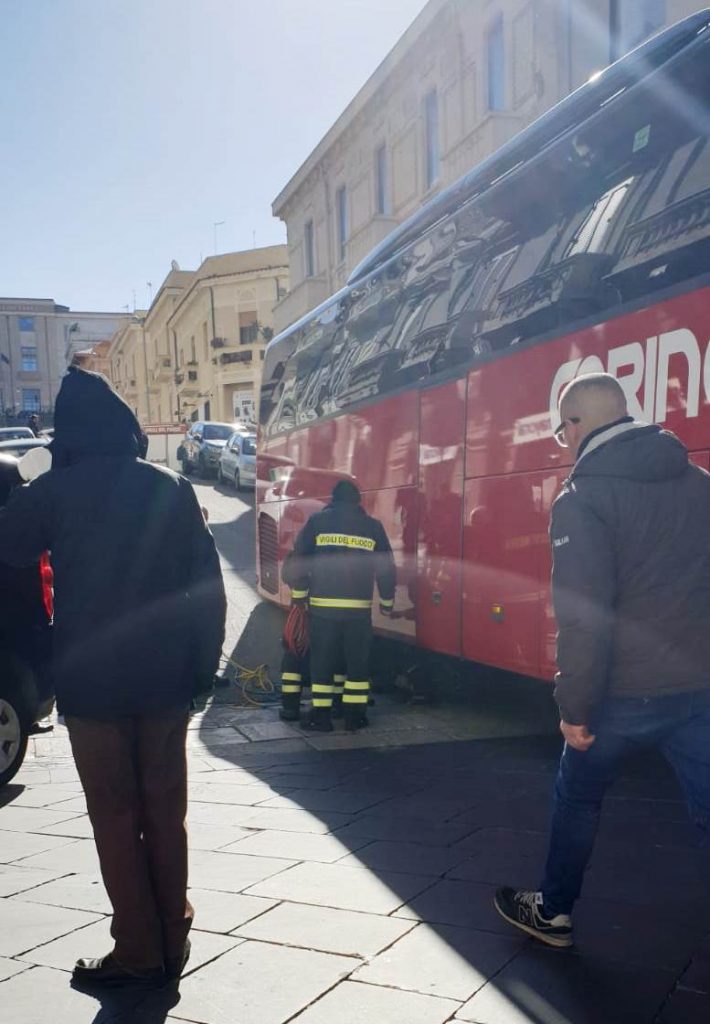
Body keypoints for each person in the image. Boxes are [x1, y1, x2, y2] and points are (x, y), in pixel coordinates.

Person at [0, 367, 226, 986]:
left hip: (92, 681)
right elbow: (207, 588)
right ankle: (173, 934)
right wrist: (203, 669)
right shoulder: (172, 486)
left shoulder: (56, 491)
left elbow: (11, 547)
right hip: (166, 680)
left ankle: (137, 949)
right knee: (166, 812)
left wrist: (39, 479)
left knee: (116, 817)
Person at [495, 372, 710, 948]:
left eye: (562, 430)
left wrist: (575, 707)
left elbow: (584, 616)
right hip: (700, 688)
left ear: (575, 425)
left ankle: (553, 912)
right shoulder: (700, 482)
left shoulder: (582, 498)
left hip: (622, 695)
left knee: (578, 798)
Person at [285, 480, 396, 732]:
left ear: (333, 499)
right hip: (359, 612)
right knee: (357, 664)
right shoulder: (373, 527)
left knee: (322, 662)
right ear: (358, 501)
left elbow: (299, 561)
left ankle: (321, 717)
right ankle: (354, 717)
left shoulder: (317, 522)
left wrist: (299, 597)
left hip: (323, 610)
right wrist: (387, 603)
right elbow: (386, 569)